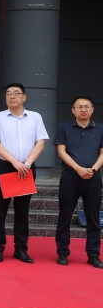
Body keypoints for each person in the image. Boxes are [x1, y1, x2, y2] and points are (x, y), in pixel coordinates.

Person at [0, 83, 49, 263]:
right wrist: (14, 161)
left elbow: (41, 143)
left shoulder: (35, 117)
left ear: (24, 97)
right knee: (0, 210)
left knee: (22, 211)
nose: (12, 96)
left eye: (16, 93)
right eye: (8, 94)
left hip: (26, 169)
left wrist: (27, 163)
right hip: (5, 167)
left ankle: (21, 249)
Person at [54, 96, 103, 268]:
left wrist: (93, 169)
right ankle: (62, 252)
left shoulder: (100, 128)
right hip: (70, 176)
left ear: (92, 109)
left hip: (93, 177)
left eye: (87, 106)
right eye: (79, 107)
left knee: (93, 217)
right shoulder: (64, 127)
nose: (83, 110)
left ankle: (93, 254)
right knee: (65, 215)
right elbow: (61, 152)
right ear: (73, 110)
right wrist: (78, 169)